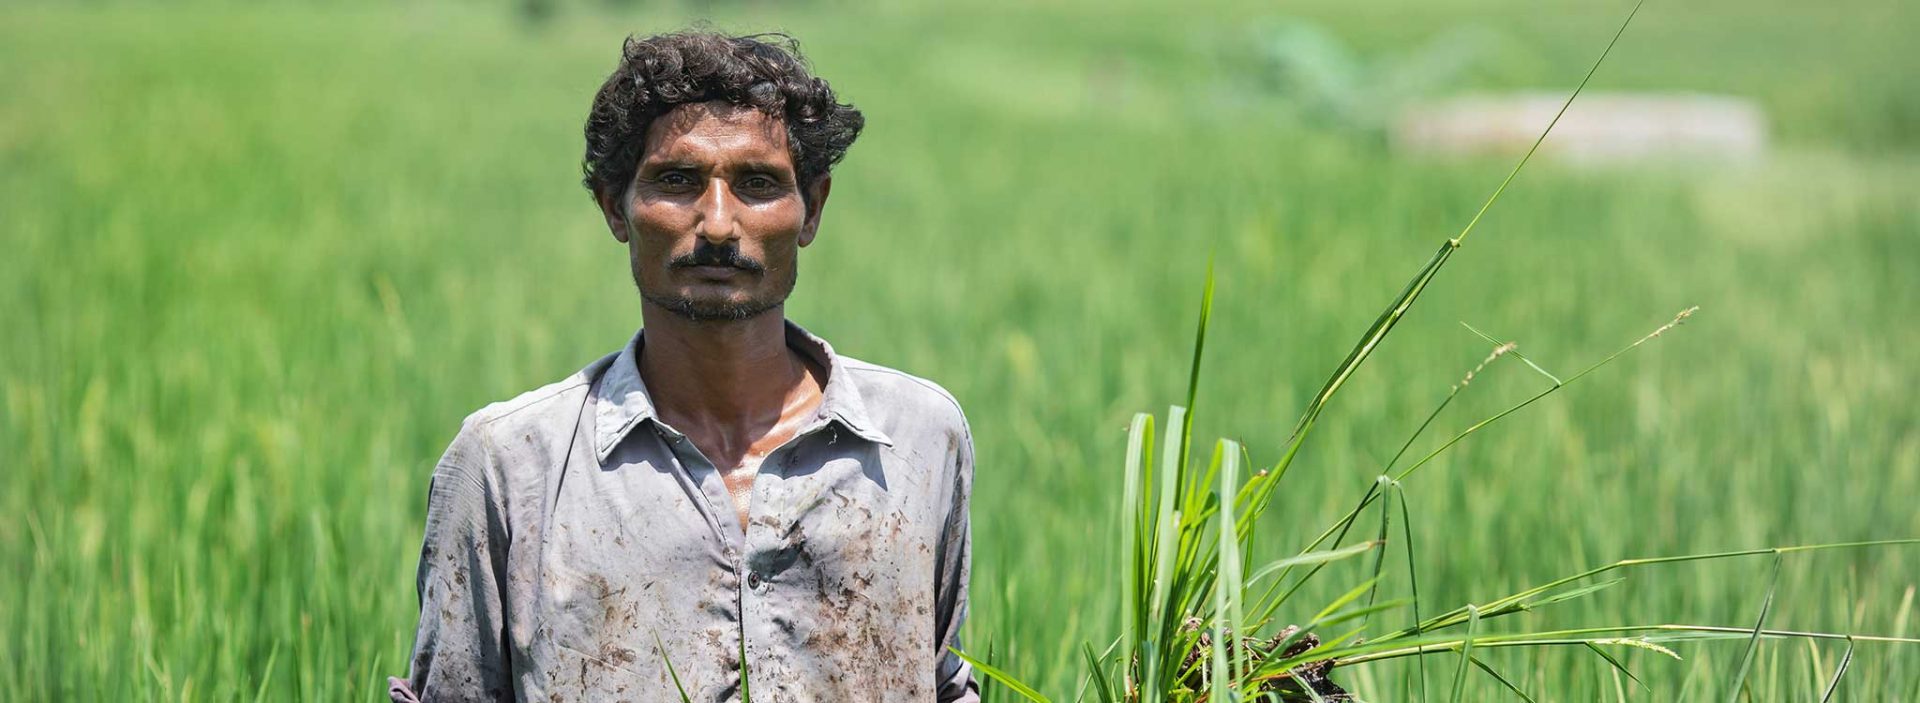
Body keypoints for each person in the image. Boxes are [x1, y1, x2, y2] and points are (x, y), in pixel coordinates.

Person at [391, 30, 979, 702]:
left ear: (812, 208)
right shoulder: (509, 467)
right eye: (678, 180)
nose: (719, 224)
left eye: (758, 184)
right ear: (616, 207)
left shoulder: (920, 440)